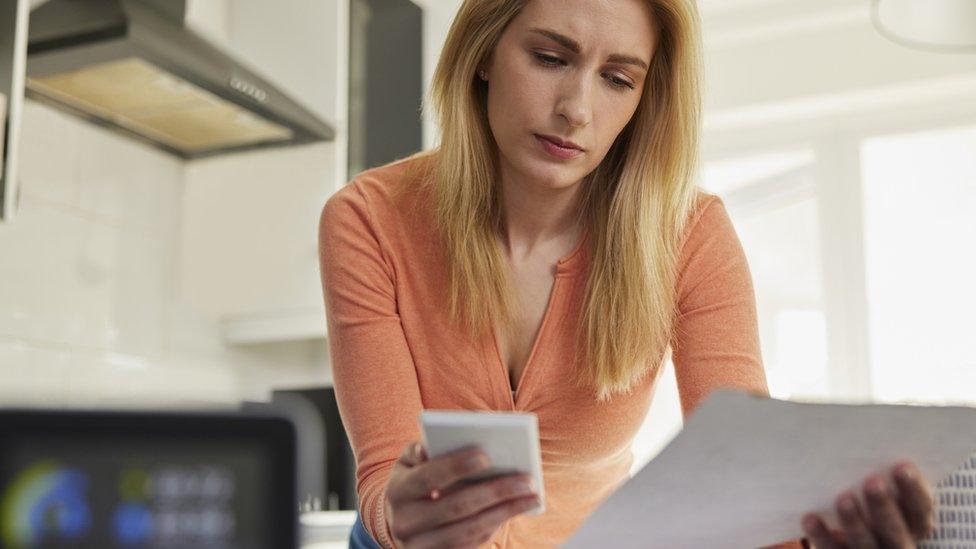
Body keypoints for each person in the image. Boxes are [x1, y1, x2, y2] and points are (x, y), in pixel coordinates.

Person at [318, 1, 937, 547]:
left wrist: (810, 538)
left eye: (618, 79)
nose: (577, 110)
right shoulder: (368, 220)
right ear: (483, 53)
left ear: (645, 98)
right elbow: (380, 477)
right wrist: (403, 521)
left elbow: (740, 474)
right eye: (549, 58)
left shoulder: (689, 234)